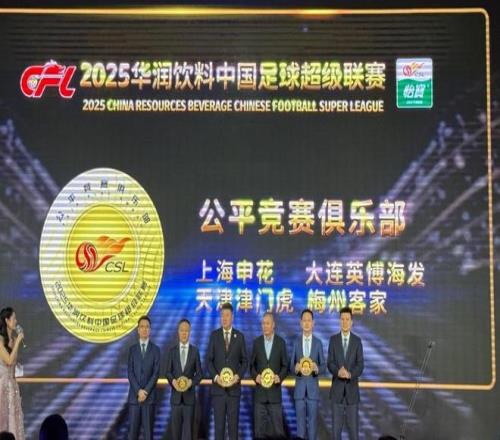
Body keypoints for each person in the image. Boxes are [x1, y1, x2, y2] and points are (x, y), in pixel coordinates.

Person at [206, 303, 248, 440]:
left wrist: (237, 376)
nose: (224, 318)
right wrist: (216, 377)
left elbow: (245, 361)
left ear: (232, 317)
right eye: (222, 315)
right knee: (219, 428)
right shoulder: (214, 336)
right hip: (218, 391)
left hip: (234, 391)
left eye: (227, 315)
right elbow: (209, 361)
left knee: (233, 428)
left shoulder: (239, 337)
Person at [250, 312, 288, 439]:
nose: (265, 326)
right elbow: (251, 366)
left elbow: (285, 366)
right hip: (260, 396)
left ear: (273, 325)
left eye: (267, 323)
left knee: (278, 433)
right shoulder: (256, 343)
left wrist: (279, 377)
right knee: (259, 433)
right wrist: (256, 376)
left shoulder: (281, 343)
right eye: (263, 323)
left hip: (274, 395)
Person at [327, 307, 364, 440]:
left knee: (353, 432)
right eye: (342, 319)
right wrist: (338, 372)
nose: (345, 322)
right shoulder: (333, 340)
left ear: (351, 322)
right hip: (337, 392)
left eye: (347, 319)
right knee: (336, 433)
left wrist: (350, 374)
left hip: (352, 393)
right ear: (339, 321)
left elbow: (360, 365)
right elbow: (330, 362)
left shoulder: (357, 341)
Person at [289, 309, 325, 440]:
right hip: (299, 391)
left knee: (313, 426)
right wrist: (296, 368)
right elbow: (290, 366)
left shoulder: (318, 343)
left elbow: (324, 366)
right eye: (304, 320)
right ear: (300, 323)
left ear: (313, 323)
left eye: (309, 320)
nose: (306, 323)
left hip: (313, 391)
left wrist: (317, 368)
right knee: (300, 427)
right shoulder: (296, 342)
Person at [165, 319, 203, 440]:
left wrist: (191, 382)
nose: (184, 333)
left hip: (189, 400)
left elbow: (200, 374)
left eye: (186, 330)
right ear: (178, 332)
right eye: (182, 330)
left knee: (188, 435)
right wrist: (173, 381)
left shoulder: (195, 351)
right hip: (175, 400)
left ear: (190, 332)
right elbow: (168, 372)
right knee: (175, 434)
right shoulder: (172, 351)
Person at [127, 315, 160, 440]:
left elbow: (156, 373)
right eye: (142, 327)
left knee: (148, 435)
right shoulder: (132, 350)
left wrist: (145, 391)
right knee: (132, 434)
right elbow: (130, 372)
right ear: (138, 330)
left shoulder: (156, 350)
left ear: (150, 330)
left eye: (147, 327)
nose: (144, 329)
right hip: (134, 399)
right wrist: (138, 391)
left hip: (149, 398)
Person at [0, 307, 25, 440]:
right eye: (13, 318)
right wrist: (18, 342)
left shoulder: (14, 340)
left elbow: (14, 364)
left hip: (13, 385)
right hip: (3, 386)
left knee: (14, 421)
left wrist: (16, 342)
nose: (16, 321)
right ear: (7, 320)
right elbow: (9, 361)